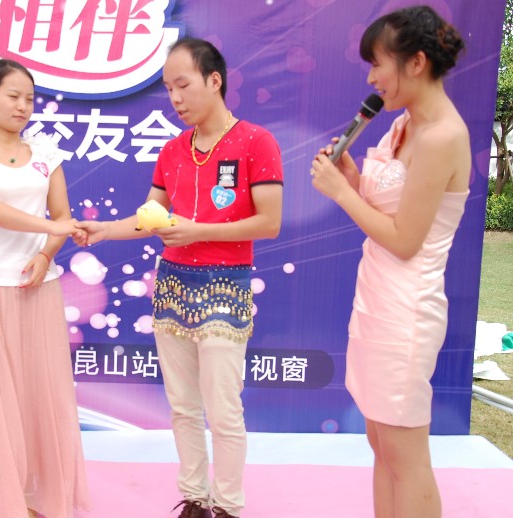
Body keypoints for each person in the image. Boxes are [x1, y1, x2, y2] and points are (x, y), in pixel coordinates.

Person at [75, 37, 283, 518]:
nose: (175, 98)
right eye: (169, 89)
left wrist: (198, 230)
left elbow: (269, 222)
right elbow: (150, 216)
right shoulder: (172, 151)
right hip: (171, 287)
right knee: (183, 405)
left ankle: (227, 505)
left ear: (215, 80)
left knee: (224, 408)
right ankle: (194, 497)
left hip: (225, 286)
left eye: (183, 85)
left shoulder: (256, 142)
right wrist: (106, 229)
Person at [310, 6, 468, 518]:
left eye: (377, 64)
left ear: (416, 62)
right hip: (376, 298)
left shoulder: (443, 135)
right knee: (380, 442)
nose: (371, 78)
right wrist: (354, 180)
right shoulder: (401, 124)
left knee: (406, 453)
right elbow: (390, 210)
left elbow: (405, 240)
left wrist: (340, 194)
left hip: (407, 310)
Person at [0, 59, 89, 518]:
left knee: (39, 395)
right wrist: (52, 227)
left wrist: (46, 254)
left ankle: (36, 496)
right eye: (13, 96)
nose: (22, 106)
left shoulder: (47, 152)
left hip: (37, 287)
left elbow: (62, 215)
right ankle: (1, 499)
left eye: (29, 98)